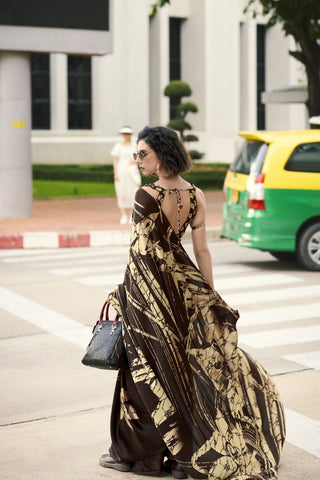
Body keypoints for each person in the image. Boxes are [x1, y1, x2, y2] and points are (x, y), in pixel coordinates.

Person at [100, 126, 286, 479]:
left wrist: (126, 297)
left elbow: (141, 255)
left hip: (151, 296)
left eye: (143, 154)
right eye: (136, 154)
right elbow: (201, 251)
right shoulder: (197, 195)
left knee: (143, 375)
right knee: (181, 372)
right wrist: (208, 298)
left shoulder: (146, 195)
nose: (137, 159)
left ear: (161, 154)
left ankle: (143, 457)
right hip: (185, 289)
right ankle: (183, 458)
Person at [111, 126, 141, 224]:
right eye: (124, 134)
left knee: (133, 192)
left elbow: (140, 157)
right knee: (121, 192)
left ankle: (132, 215)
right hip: (121, 171)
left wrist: (135, 161)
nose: (125, 136)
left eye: (127, 134)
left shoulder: (135, 146)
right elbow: (115, 160)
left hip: (132, 172)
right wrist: (116, 173)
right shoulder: (118, 146)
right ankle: (123, 215)